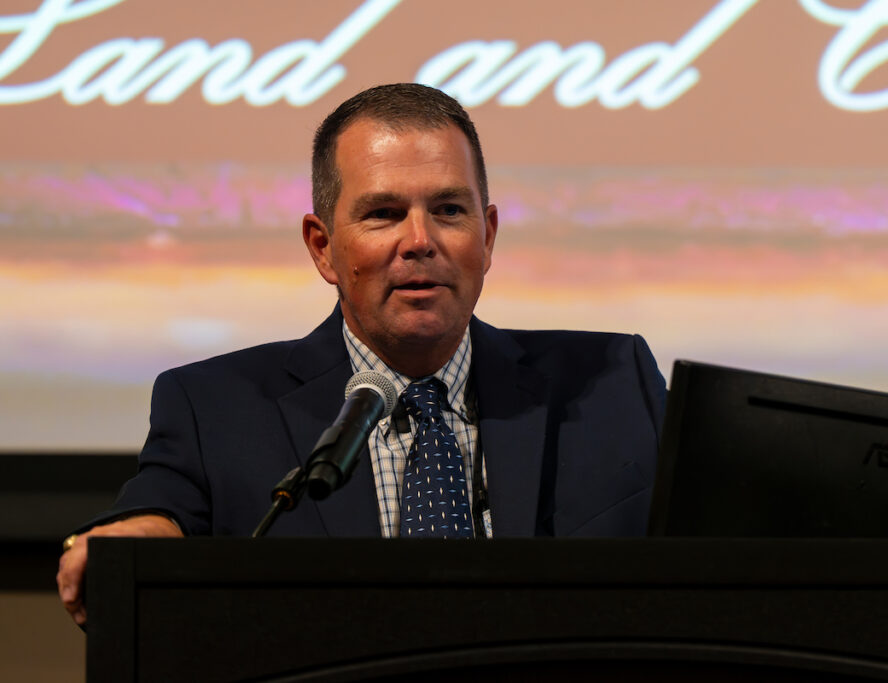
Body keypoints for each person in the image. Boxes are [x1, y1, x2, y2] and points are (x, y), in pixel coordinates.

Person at [56, 83, 666, 626]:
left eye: (449, 211)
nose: (420, 241)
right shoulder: (215, 406)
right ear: (322, 248)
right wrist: (131, 540)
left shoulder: (614, 382)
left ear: (488, 235)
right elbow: (160, 512)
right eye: (384, 214)